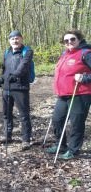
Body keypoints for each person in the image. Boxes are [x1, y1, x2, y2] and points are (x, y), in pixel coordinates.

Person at [45, 29, 91, 160]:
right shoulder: (65, 54)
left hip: (80, 94)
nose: (69, 42)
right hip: (63, 94)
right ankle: (61, 145)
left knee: (76, 123)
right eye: (66, 40)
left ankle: (73, 150)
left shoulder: (86, 53)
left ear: (79, 39)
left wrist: (85, 78)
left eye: (72, 39)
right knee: (57, 120)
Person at [0, 30, 33, 150]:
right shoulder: (7, 52)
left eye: (17, 38)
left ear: (21, 39)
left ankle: (26, 140)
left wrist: (16, 75)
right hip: (7, 87)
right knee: (6, 113)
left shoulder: (27, 51)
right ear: (9, 41)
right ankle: (7, 135)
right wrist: (1, 79)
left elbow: (24, 65)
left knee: (23, 114)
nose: (15, 40)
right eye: (12, 39)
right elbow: (4, 68)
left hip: (20, 87)